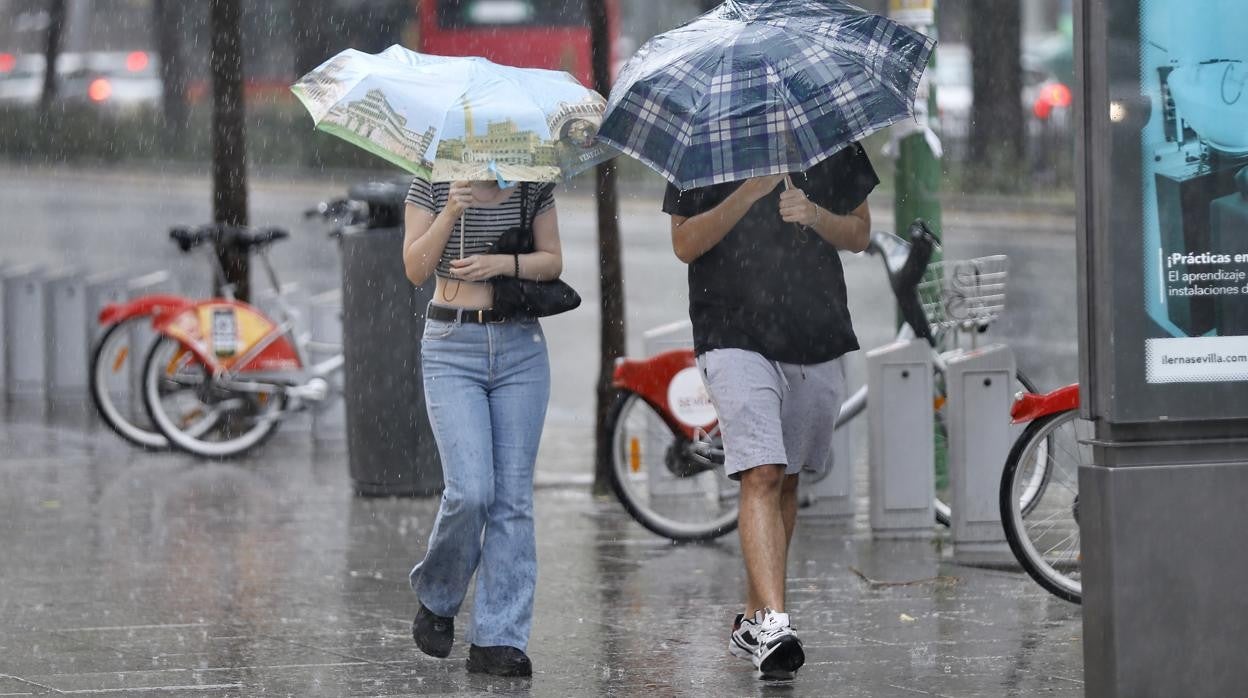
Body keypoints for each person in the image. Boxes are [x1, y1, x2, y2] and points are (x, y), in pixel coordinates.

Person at [663, 144, 878, 680]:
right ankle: (776, 626)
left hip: (814, 330)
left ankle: (756, 619)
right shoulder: (704, 143)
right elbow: (685, 243)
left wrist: (815, 215)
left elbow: (859, 233)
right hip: (730, 332)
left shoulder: (829, 136)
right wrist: (748, 192)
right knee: (759, 470)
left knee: (784, 480)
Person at [402, 177, 563, 678]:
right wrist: (451, 208)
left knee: (513, 498)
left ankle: (499, 639)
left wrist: (502, 265)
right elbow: (415, 268)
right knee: (470, 491)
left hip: (520, 348)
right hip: (452, 344)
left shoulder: (532, 181)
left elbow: (552, 260)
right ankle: (439, 595)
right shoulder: (431, 180)